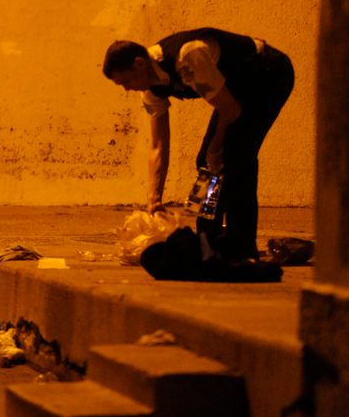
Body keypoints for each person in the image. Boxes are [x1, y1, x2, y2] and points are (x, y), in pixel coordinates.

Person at [103, 28, 294, 260]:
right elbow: (158, 145)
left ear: (139, 64)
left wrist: (216, 146)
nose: (128, 89)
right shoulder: (151, 88)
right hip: (234, 87)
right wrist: (155, 200)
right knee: (206, 161)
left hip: (267, 74)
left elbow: (230, 110)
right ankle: (208, 238)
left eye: (127, 81)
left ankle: (241, 244)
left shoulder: (187, 58)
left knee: (236, 155)